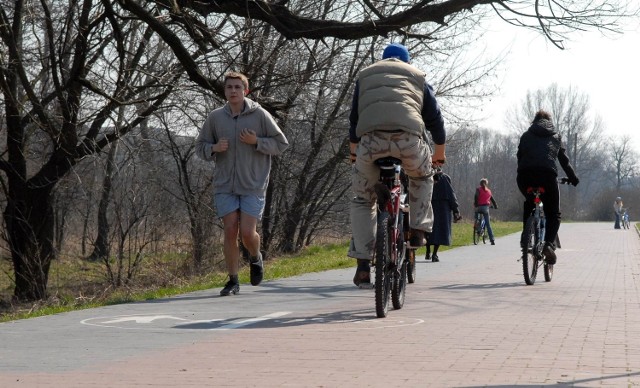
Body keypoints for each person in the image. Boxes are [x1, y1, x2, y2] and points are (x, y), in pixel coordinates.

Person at [348, 42, 446, 286]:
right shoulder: (417, 78)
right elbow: (435, 119)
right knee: (422, 177)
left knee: (362, 199)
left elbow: (354, 118)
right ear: (407, 62)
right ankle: (419, 230)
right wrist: (438, 154)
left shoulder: (365, 76)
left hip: (371, 143)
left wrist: (354, 154)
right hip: (408, 142)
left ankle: (362, 264)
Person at [196, 72, 289, 296]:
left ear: (245, 90)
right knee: (230, 231)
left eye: (238, 87)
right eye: (229, 87)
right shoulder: (215, 118)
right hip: (225, 184)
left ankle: (256, 258)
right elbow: (200, 147)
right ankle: (233, 280)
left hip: (253, 183)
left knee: (247, 233)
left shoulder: (260, 115)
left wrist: (256, 141)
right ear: (225, 91)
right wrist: (214, 148)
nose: (233, 91)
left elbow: (281, 144)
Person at [516, 109, 579, 265]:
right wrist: (573, 178)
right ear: (550, 122)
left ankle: (526, 236)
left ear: (534, 121)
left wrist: (524, 170)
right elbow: (564, 161)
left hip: (525, 176)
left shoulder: (525, 135)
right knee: (554, 214)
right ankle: (549, 245)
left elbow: (519, 157)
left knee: (529, 202)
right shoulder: (555, 136)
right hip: (547, 176)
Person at [426, 170, 462, 262]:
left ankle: (428, 250)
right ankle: (434, 254)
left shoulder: (428, 177)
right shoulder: (445, 178)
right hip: (443, 209)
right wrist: (456, 210)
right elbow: (451, 195)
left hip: (430, 205)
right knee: (440, 231)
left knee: (428, 229)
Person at [473, 178, 498, 245]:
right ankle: (492, 240)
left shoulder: (478, 189)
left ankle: (479, 229)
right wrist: (496, 206)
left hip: (478, 208)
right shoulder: (489, 191)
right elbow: (493, 200)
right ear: (486, 184)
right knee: (488, 224)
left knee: (477, 218)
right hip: (486, 208)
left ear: (480, 184)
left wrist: (476, 204)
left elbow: (476, 196)